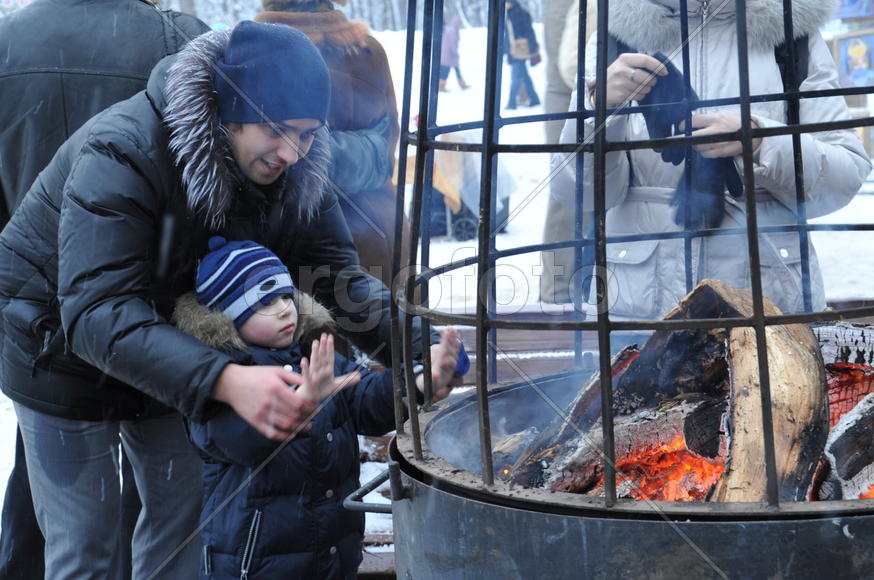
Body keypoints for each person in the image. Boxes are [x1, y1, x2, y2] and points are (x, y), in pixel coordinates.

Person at [0, 21, 450, 578]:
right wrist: (225, 379)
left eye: (308, 133)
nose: (292, 151)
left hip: (174, 341)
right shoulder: (124, 150)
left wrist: (421, 347)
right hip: (56, 347)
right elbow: (96, 310)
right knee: (86, 545)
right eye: (277, 130)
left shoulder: (301, 167)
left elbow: (335, 277)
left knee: (178, 527)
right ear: (231, 108)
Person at [0, 1, 209, 577]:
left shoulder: (8, 42)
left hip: (39, 325)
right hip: (157, 328)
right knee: (165, 526)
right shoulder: (177, 37)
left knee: (64, 533)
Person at [552, 0, 872, 320]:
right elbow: (576, 193)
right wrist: (599, 111)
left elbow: (841, 182)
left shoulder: (791, 31)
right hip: (637, 314)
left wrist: (761, 140)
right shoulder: (617, 32)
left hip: (768, 313)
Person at [177, 237, 461, 579]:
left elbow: (365, 398)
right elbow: (239, 439)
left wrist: (418, 382)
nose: (284, 308)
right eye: (264, 303)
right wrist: (302, 404)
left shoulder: (313, 355)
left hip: (331, 551)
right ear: (228, 319)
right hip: (255, 564)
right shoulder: (221, 381)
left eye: (285, 296)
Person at [255, 0, 405, 294]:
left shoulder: (257, 51)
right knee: (397, 333)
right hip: (383, 230)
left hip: (308, 242)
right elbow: (388, 146)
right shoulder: (367, 48)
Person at [540, 0, 597, 304]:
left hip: (572, 98)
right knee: (572, 198)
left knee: (571, 199)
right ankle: (559, 294)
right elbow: (573, 63)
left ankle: (560, 291)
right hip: (577, 99)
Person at [504, 0, 541, 110]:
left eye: (506, 2)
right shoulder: (512, 13)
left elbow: (527, 31)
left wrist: (532, 46)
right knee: (524, 77)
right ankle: (534, 99)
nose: (505, 5)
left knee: (515, 78)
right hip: (517, 50)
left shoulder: (517, 13)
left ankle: (512, 103)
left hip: (519, 51)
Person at [439, 11, 470, 92]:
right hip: (448, 56)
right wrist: (456, 53)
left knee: (456, 70)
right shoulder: (452, 31)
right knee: (445, 72)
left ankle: (462, 84)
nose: (460, 26)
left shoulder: (451, 29)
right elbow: (452, 44)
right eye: (459, 23)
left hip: (448, 55)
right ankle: (441, 86)